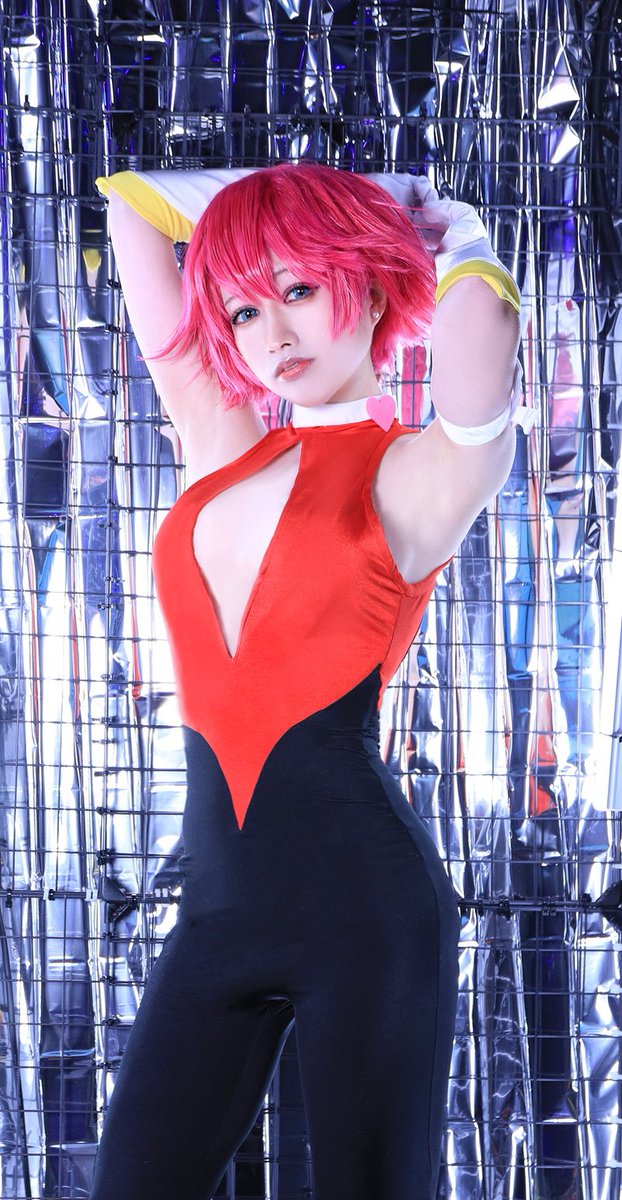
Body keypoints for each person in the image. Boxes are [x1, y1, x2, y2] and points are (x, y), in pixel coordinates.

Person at [90, 161, 533, 1200]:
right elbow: (130, 205)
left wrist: (449, 232)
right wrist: (334, 199)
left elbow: (483, 343)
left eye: (298, 288)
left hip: (365, 914)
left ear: (370, 288)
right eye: (245, 308)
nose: (272, 334)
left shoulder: (414, 474)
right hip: (217, 917)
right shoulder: (222, 445)